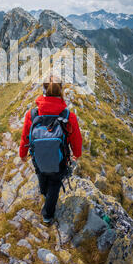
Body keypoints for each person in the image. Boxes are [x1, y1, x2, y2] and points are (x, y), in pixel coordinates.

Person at [19, 76, 82, 225]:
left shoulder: (32, 114)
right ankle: (47, 215)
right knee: (55, 182)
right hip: (59, 160)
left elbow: (25, 137)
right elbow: (76, 139)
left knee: (42, 174)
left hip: (38, 159)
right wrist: (77, 154)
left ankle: (44, 193)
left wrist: (22, 154)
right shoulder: (68, 116)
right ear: (61, 92)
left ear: (43, 91)